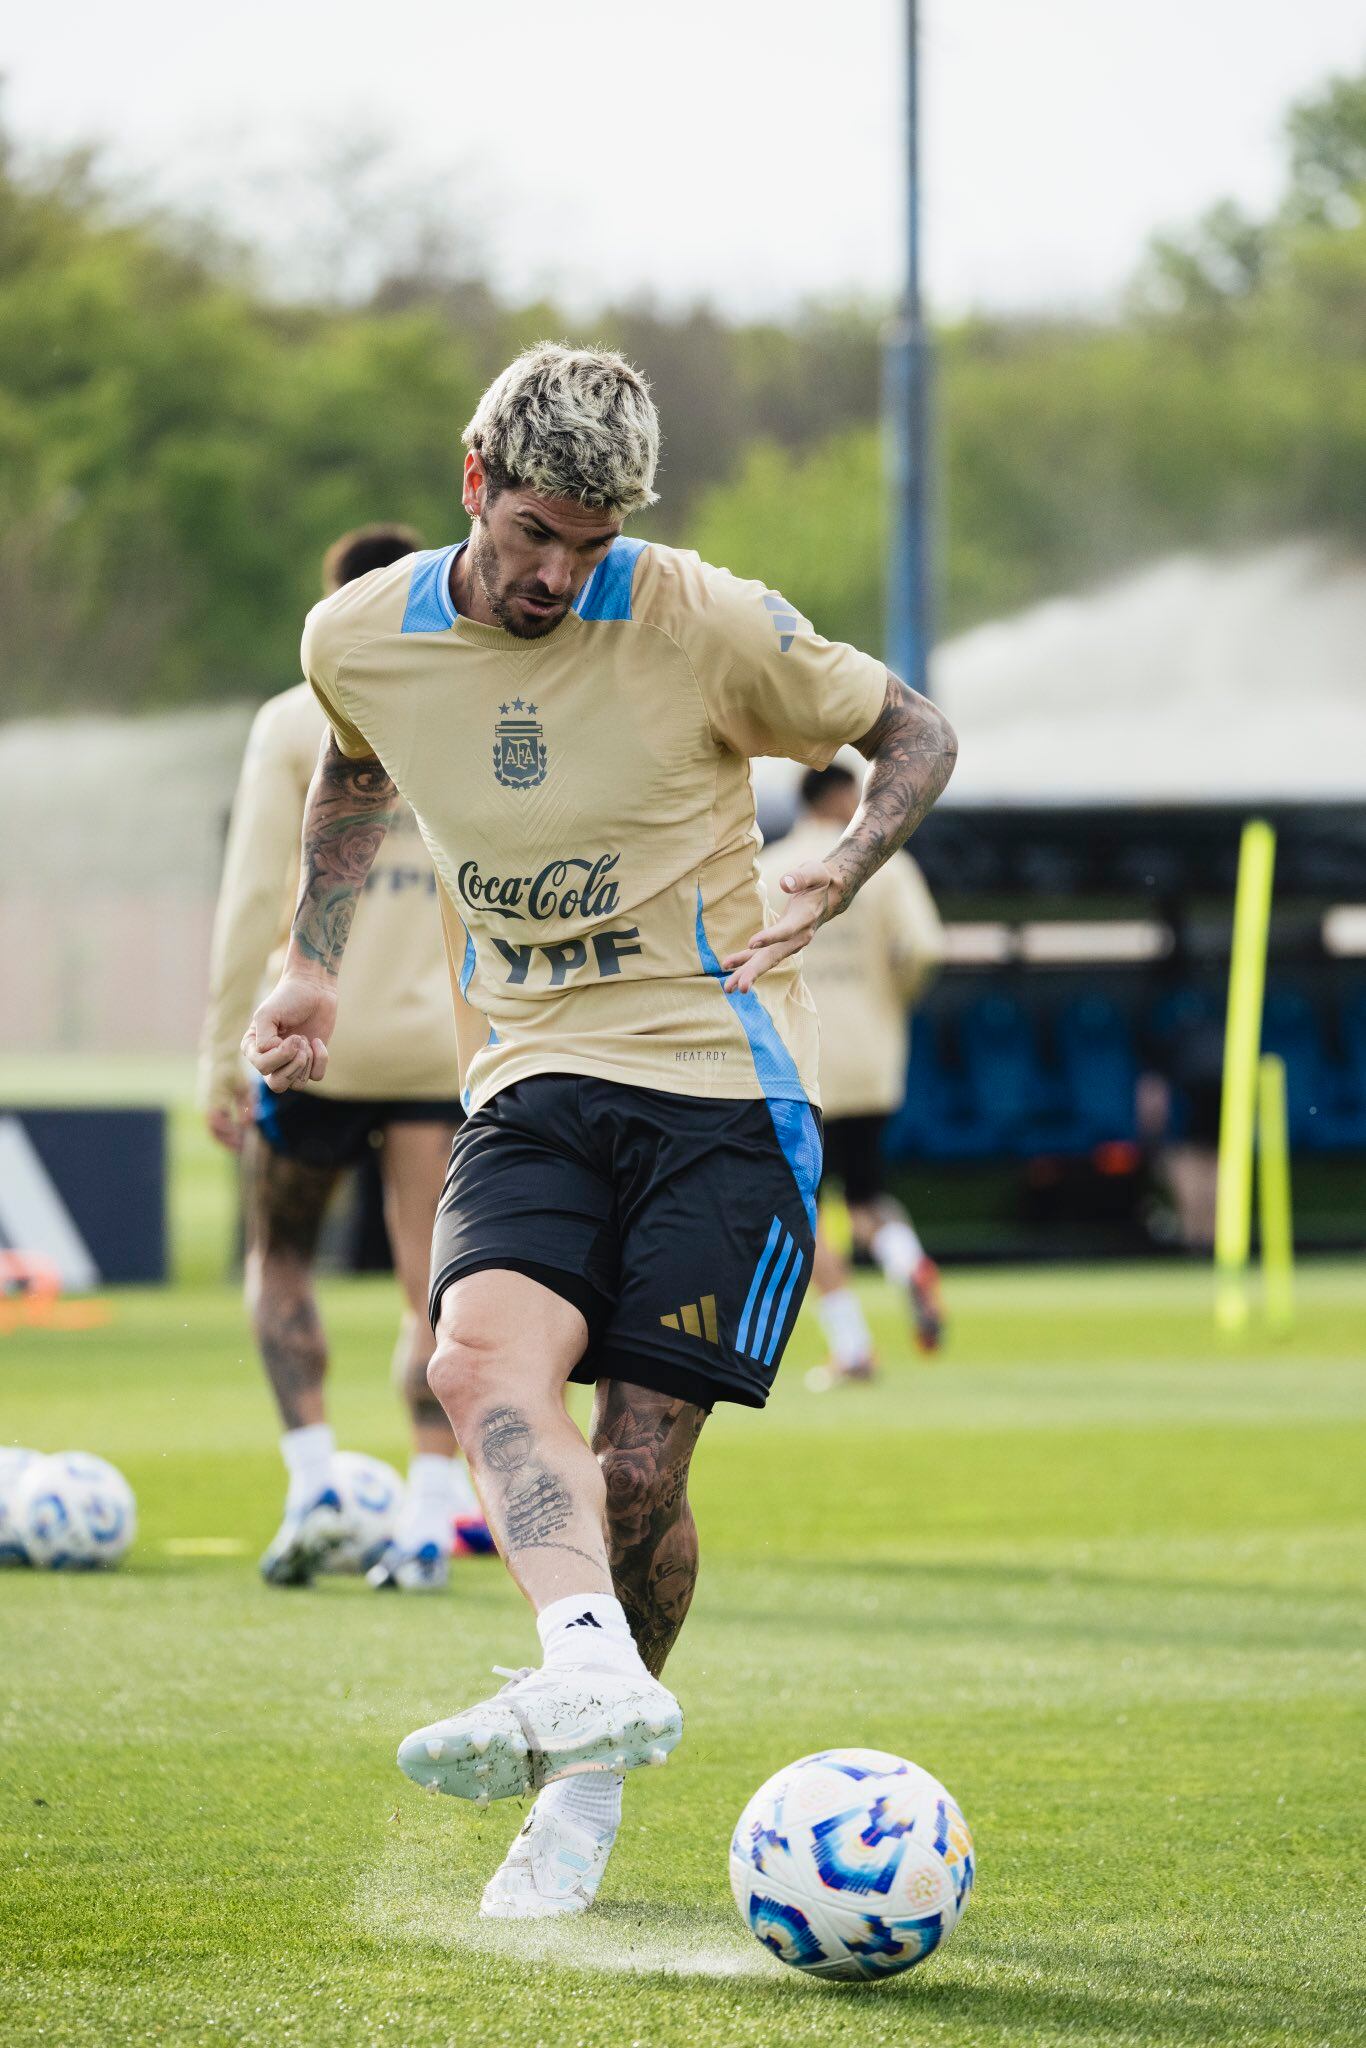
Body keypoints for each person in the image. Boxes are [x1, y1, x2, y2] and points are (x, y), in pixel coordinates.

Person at [242, 344, 957, 1918]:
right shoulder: (356, 635)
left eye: (593, 542)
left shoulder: (699, 612)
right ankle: (582, 1679)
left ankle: (583, 1786)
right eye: (536, 535)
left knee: (638, 1475)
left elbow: (913, 732)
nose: (562, 572)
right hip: (535, 1071)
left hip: (725, 1082)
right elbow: (354, 775)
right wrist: (308, 965)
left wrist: (838, 872)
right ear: (473, 481)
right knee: (473, 1361)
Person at [200, 522, 489, 1593]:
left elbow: (247, 901)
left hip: (313, 1039)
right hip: (440, 1045)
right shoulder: (472, 706)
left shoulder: (290, 717)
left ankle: (315, 1482)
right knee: (437, 1289)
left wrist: (218, 1052)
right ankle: (426, 1516)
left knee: (279, 1252)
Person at [760, 762, 947, 1382]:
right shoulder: (886, 865)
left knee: (802, 1208)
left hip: (798, 1061)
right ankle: (907, 1260)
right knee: (867, 1192)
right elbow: (924, 949)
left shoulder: (770, 867)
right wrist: (893, 998)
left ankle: (854, 1346)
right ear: (843, 796)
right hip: (870, 1056)